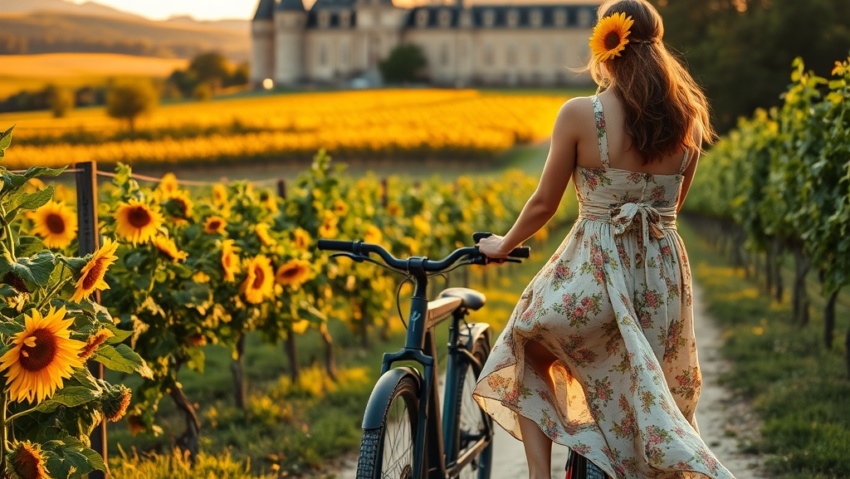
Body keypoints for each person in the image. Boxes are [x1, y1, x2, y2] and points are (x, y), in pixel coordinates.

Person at [473, 1, 736, 478]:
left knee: (525, 343)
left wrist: (503, 244)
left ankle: (539, 475)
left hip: (595, 267)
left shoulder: (581, 113)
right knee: (649, 385)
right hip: (661, 278)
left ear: (607, 45)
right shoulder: (689, 119)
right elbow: (671, 210)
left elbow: (542, 204)